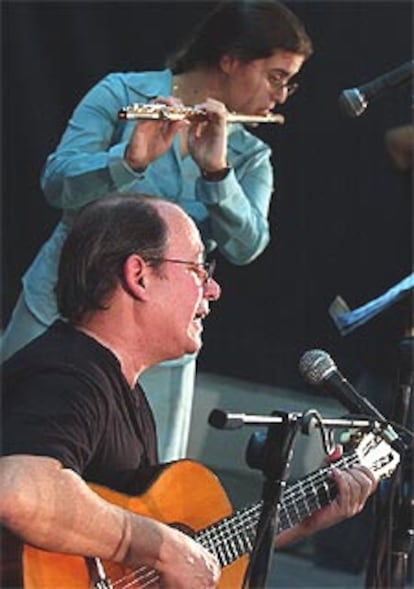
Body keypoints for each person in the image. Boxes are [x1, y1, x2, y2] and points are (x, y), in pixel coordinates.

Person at [1, 193, 377, 588]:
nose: (213, 289)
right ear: (139, 275)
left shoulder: (119, 389)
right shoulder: (69, 376)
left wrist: (299, 520)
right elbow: (16, 489)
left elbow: (165, 565)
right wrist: (160, 545)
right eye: (198, 268)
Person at [1, 0, 314, 461]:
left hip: (162, 339)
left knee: (142, 482)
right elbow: (56, 183)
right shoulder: (122, 94)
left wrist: (217, 175)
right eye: (276, 76)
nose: (282, 95)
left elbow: (248, 246)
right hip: (61, 305)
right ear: (231, 60)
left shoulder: (249, 156)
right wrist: (127, 162)